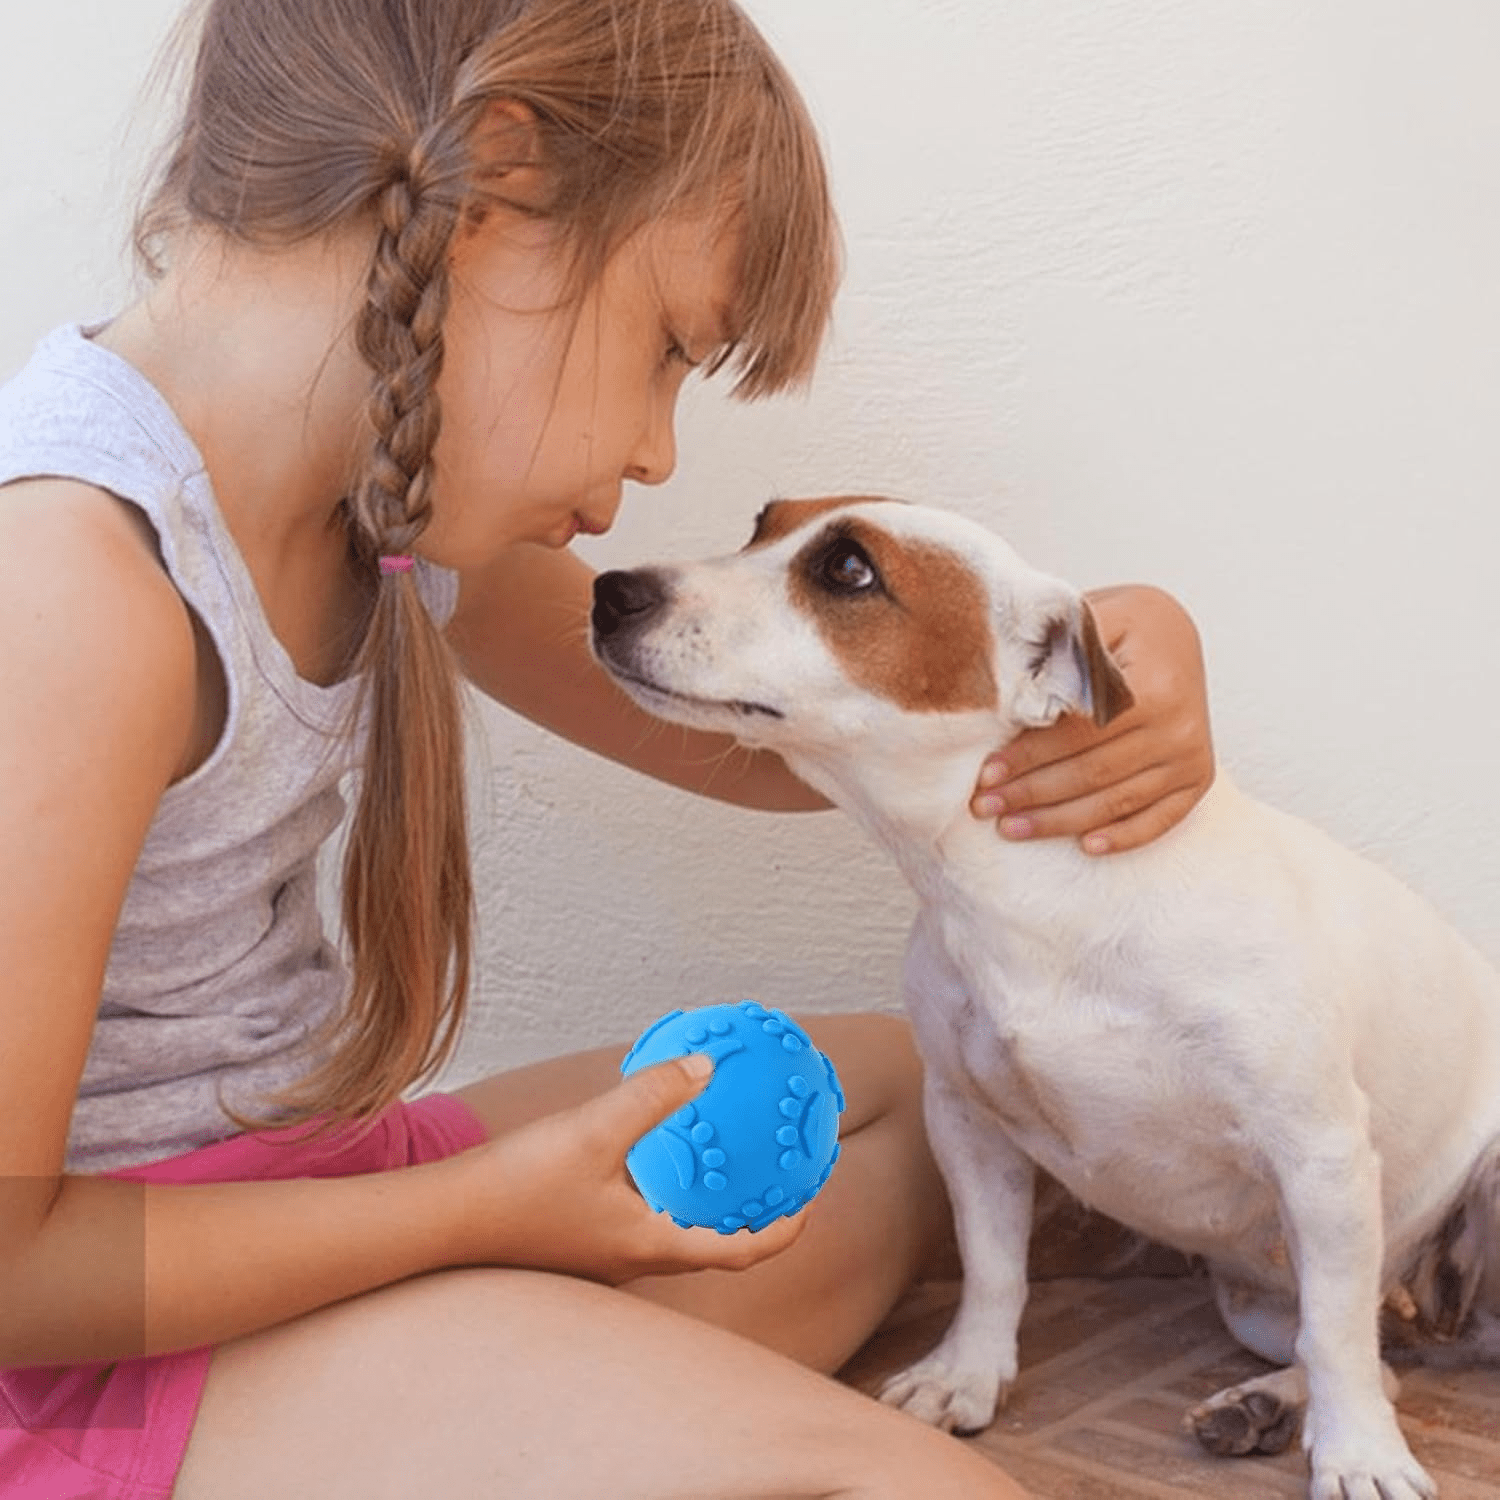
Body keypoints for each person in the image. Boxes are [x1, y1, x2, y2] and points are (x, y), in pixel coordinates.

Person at [0, 1, 1215, 1496]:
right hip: (89, 1363)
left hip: (306, 1191)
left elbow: (760, 744)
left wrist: (1115, 644)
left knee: (915, 1094)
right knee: (927, 1488)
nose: (657, 452)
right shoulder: (73, 587)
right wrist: (478, 1218)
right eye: (667, 353)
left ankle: (494, 1392)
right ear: (495, 188)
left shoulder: (389, 511)